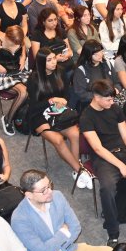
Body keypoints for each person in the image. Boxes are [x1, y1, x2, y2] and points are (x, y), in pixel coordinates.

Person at [80, 79, 126, 247]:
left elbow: (125, 134)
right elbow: (98, 148)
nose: (112, 102)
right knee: (107, 188)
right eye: (108, 99)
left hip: (123, 152)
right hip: (104, 159)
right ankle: (112, 232)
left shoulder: (114, 108)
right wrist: (121, 166)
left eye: (112, 99)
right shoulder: (86, 117)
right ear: (96, 97)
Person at [26, 47, 88, 187]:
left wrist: (63, 101)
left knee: (75, 134)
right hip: (39, 114)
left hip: (58, 111)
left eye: (54, 58)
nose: (54, 62)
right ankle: (79, 170)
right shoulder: (34, 79)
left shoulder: (60, 71)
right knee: (58, 140)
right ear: (41, 63)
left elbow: (66, 94)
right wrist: (51, 101)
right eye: (49, 60)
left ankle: (76, 167)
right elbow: (33, 106)